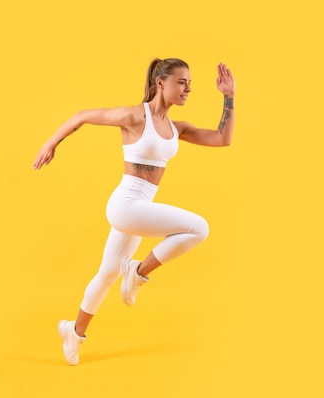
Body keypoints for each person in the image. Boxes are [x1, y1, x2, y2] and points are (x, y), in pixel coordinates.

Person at [33, 58, 236, 365]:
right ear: (160, 83)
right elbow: (83, 116)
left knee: (107, 275)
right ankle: (139, 271)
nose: (188, 89)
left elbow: (223, 139)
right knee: (199, 228)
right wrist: (51, 143)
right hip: (126, 205)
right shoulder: (134, 116)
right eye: (182, 82)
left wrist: (229, 95)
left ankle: (74, 332)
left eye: (190, 83)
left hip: (141, 208)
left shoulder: (176, 128)